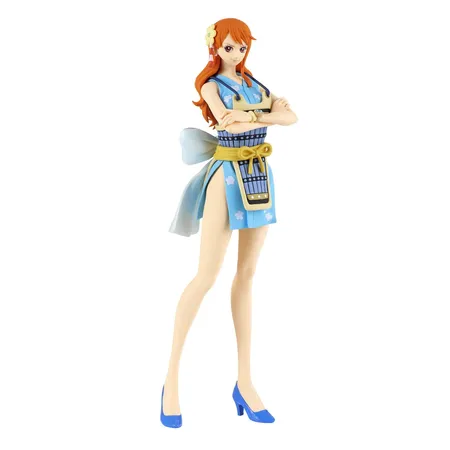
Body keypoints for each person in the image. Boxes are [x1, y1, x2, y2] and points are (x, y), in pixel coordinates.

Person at [161, 18, 298, 428]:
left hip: (259, 174)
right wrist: (268, 116)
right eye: (228, 47)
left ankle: (244, 380)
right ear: (214, 48)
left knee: (248, 274)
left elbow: (291, 117)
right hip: (226, 176)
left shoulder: (255, 84)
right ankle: (171, 379)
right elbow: (227, 122)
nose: (235, 54)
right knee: (206, 275)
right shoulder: (210, 85)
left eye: (241, 47)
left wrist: (256, 116)